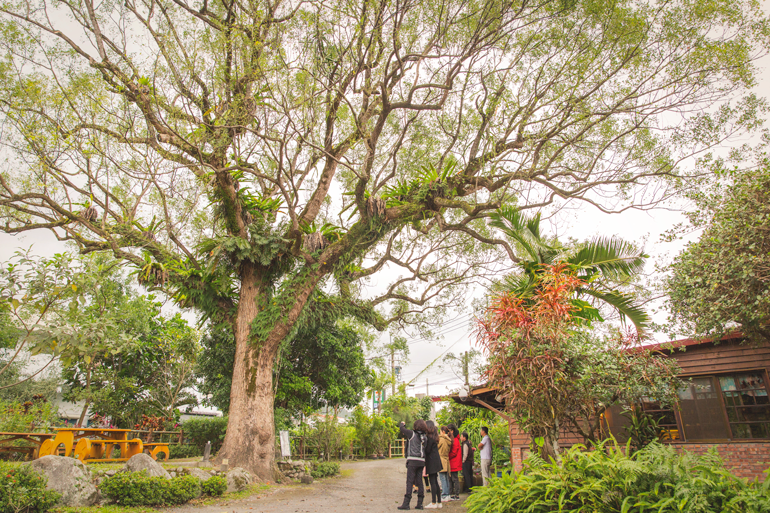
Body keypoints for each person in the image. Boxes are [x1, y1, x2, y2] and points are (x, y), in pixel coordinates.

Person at [398, 419, 427, 510]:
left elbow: (402, 429)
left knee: (410, 481)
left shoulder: (412, 434)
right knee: (419, 481)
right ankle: (420, 503)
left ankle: (406, 503)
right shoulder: (424, 437)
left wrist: (402, 424)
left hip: (412, 461)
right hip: (421, 461)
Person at [423, 420, 442, 509]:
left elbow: (427, 450)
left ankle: (434, 502)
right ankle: (439, 502)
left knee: (433, 482)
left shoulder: (429, 438)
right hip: (436, 461)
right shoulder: (434, 436)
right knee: (435, 482)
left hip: (431, 461)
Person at [437, 426, 452, 502]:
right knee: (446, 478)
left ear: (443, 431)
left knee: (442, 478)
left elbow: (436, 447)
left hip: (441, 459)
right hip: (446, 460)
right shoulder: (448, 441)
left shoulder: (441, 440)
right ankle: (448, 494)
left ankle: (444, 494)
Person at [447, 424, 462, 500]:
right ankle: (453, 494)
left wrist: (447, 456)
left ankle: (456, 494)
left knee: (454, 479)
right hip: (453, 462)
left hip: (454, 462)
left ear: (452, 431)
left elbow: (454, 452)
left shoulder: (455, 440)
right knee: (452, 479)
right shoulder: (455, 439)